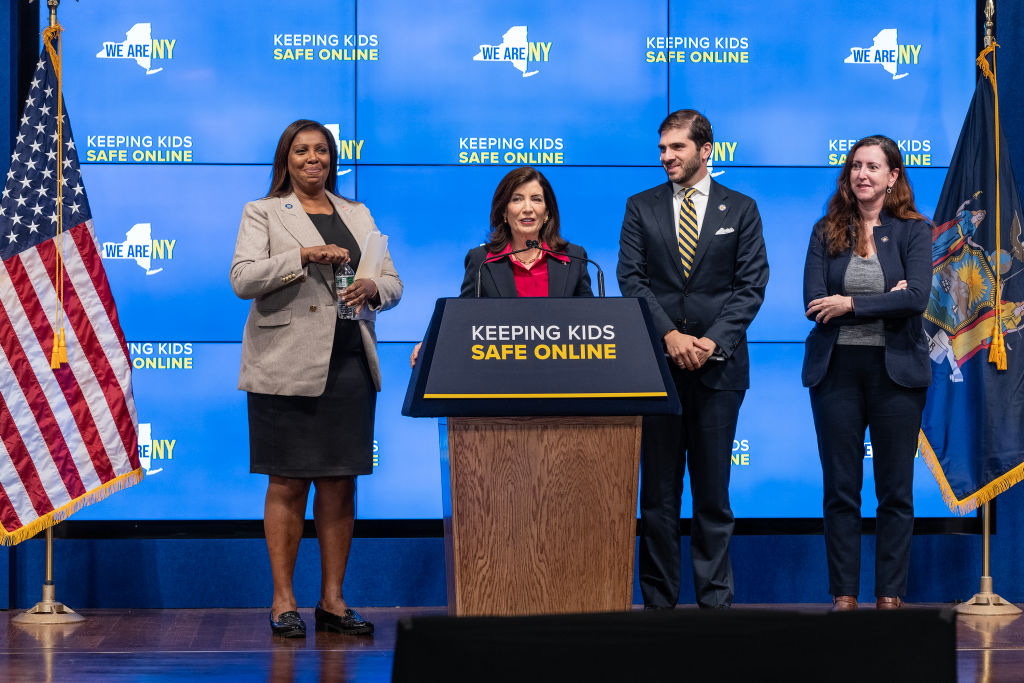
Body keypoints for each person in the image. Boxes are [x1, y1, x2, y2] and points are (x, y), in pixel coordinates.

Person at [230, 119, 402, 637]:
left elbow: (393, 283)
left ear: (332, 158)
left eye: (322, 150)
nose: (313, 158)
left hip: (349, 363)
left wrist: (373, 288)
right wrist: (302, 256)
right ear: (286, 158)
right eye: (302, 150)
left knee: (339, 483)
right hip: (284, 364)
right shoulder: (262, 212)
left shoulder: (357, 212)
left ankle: (332, 601)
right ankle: (284, 601)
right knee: (287, 481)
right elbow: (243, 279)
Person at [617, 110, 768, 609]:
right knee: (657, 500)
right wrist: (671, 336)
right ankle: (659, 606)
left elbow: (751, 287)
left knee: (712, 498)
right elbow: (631, 280)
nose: (666, 157)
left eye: (676, 148)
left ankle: (715, 608)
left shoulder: (741, 208)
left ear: (706, 151)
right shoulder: (641, 207)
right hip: (658, 368)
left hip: (719, 370)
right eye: (662, 149)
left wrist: (709, 342)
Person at [802, 135, 931, 611]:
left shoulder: (914, 231)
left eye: (874, 167)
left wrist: (851, 303)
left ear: (893, 176)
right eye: (856, 166)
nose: (863, 175)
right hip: (836, 372)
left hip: (895, 373)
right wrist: (885, 300)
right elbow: (814, 304)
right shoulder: (825, 230)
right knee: (841, 489)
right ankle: (844, 595)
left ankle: (890, 595)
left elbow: (916, 297)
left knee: (895, 490)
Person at [410, 166, 592, 366]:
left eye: (536, 199)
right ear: (504, 211)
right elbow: (462, 319)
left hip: (563, 372)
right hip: (500, 373)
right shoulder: (481, 260)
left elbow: (591, 325)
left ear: (547, 211)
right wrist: (432, 345)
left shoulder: (574, 258)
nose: (528, 208)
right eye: (517, 199)